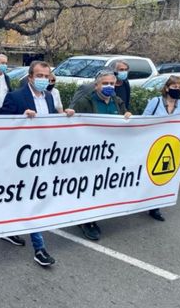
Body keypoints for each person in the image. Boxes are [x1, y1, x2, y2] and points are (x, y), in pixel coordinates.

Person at [0, 61, 75, 266]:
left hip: (43, 157)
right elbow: (0, 123)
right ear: (30, 77)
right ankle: (39, 248)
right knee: (31, 199)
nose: (43, 79)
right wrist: (20, 117)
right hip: (22, 158)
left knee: (28, 197)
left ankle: (7, 230)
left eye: (46, 76)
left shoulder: (49, 97)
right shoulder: (15, 97)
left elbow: (50, 123)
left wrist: (65, 117)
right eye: (39, 75)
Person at [72, 69, 132, 240]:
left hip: (110, 153)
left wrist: (127, 115)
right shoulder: (85, 102)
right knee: (89, 186)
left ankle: (94, 214)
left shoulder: (117, 101)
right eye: (105, 83)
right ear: (96, 85)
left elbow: (124, 119)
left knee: (101, 186)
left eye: (112, 84)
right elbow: (74, 123)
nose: (108, 86)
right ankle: (86, 221)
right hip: (90, 153)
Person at [142, 75, 180, 221]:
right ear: (167, 88)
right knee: (146, 173)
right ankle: (140, 200)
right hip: (152, 144)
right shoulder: (155, 102)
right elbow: (143, 120)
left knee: (160, 175)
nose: (177, 90)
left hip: (169, 145)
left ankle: (154, 207)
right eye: (174, 87)